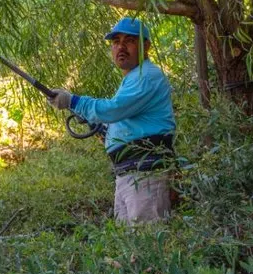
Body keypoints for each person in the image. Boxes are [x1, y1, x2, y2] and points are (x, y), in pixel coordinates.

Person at [48, 17, 176, 223]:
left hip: (145, 177)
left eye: (129, 41)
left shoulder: (147, 75)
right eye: (116, 42)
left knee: (146, 245)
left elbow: (115, 109)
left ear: (146, 46)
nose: (121, 47)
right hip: (128, 175)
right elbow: (124, 120)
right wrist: (104, 130)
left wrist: (74, 101)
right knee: (130, 249)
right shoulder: (132, 79)